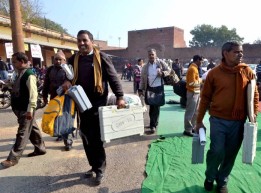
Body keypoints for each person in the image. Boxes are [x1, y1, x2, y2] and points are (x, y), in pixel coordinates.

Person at [195, 41, 258, 193]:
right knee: (217, 151)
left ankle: (222, 181)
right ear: (225, 53)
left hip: (238, 121)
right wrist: (199, 120)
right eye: (236, 52)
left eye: (241, 52)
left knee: (230, 153)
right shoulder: (214, 73)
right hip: (218, 119)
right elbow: (205, 98)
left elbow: (254, 94)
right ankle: (210, 177)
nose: (240, 54)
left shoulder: (247, 72)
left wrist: (253, 114)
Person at [62, 30, 125, 185]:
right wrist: (67, 81)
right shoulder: (74, 59)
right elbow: (67, 75)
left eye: (84, 40)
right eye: (79, 41)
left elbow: (112, 77)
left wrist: (120, 96)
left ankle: (100, 169)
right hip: (81, 104)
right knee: (85, 136)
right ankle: (93, 165)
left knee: (96, 138)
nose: (82, 43)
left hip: (98, 104)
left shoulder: (101, 57)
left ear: (92, 41)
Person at [1, 52, 46, 168]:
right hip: (19, 108)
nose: (13, 64)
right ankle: (40, 149)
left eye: (14, 62)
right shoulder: (18, 73)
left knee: (22, 133)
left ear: (21, 62)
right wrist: (8, 84)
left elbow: (33, 95)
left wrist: (30, 110)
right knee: (33, 129)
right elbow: (18, 86)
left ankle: (12, 159)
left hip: (26, 110)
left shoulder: (29, 75)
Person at [42, 50, 74, 150]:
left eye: (60, 59)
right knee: (55, 117)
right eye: (56, 59)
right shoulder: (50, 69)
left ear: (64, 60)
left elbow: (73, 80)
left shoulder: (69, 69)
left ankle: (68, 141)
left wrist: (68, 81)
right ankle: (59, 133)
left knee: (66, 119)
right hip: (54, 98)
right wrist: (44, 96)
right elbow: (46, 83)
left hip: (66, 99)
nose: (58, 61)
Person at [138, 48, 171, 134]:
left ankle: (153, 125)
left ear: (155, 55)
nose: (151, 56)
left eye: (153, 54)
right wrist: (140, 89)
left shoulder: (160, 63)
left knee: (156, 107)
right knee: (151, 106)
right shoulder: (145, 67)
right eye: (150, 55)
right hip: (150, 88)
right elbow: (142, 79)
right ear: (148, 56)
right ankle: (153, 122)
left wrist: (163, 73)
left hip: (159, 87)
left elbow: (169, 70)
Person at [183, 55, 203, 137]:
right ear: (198, 60)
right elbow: (191, 83)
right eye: (201, 61)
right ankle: (187, 129)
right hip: (192, 92)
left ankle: (192, 127)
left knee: (196, 112)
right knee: (190, 112)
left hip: (196, 92)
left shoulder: (194, 68)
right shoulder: (192, 69)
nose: (201, 63)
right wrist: (201, 81)